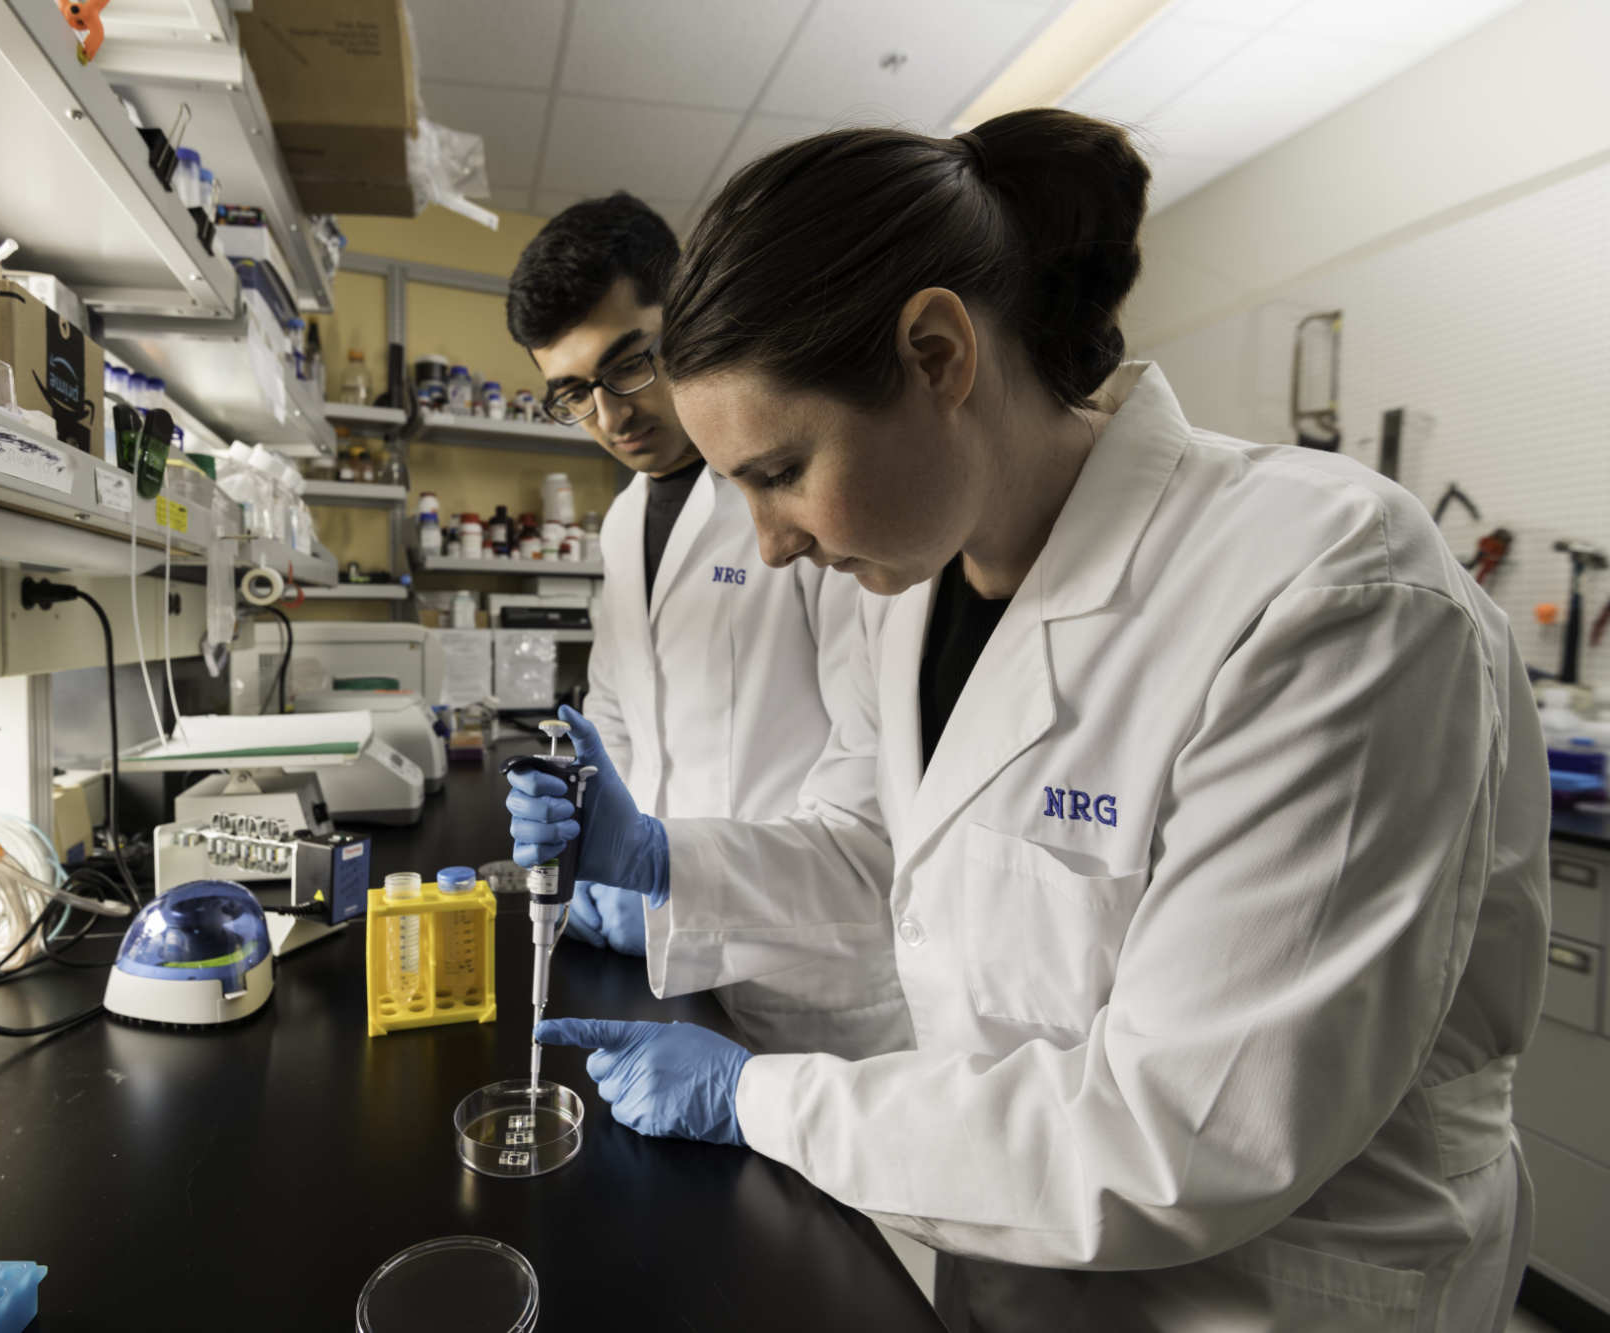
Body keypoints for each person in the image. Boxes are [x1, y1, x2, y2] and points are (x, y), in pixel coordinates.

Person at [507, 112, 1549, 1331]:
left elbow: (1184, 1132)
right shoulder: (914, 587)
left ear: (938, 354)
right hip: (1016, 1250)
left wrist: (759, 1101)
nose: (770, 544)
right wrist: (665, 858)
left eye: (780, 470)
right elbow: (886, 862)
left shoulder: (1325, 591)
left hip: (1268, 1288)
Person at [504, 193, 908, 1060]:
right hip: (673, 957)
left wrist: (660, 859)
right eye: (573, 393)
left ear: (684, 313)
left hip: (811, 975)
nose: (611, 418)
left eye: (629, 365)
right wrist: (582, 821)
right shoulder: (618, 525)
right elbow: (613, 709)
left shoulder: (799, 490)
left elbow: (873, 780)